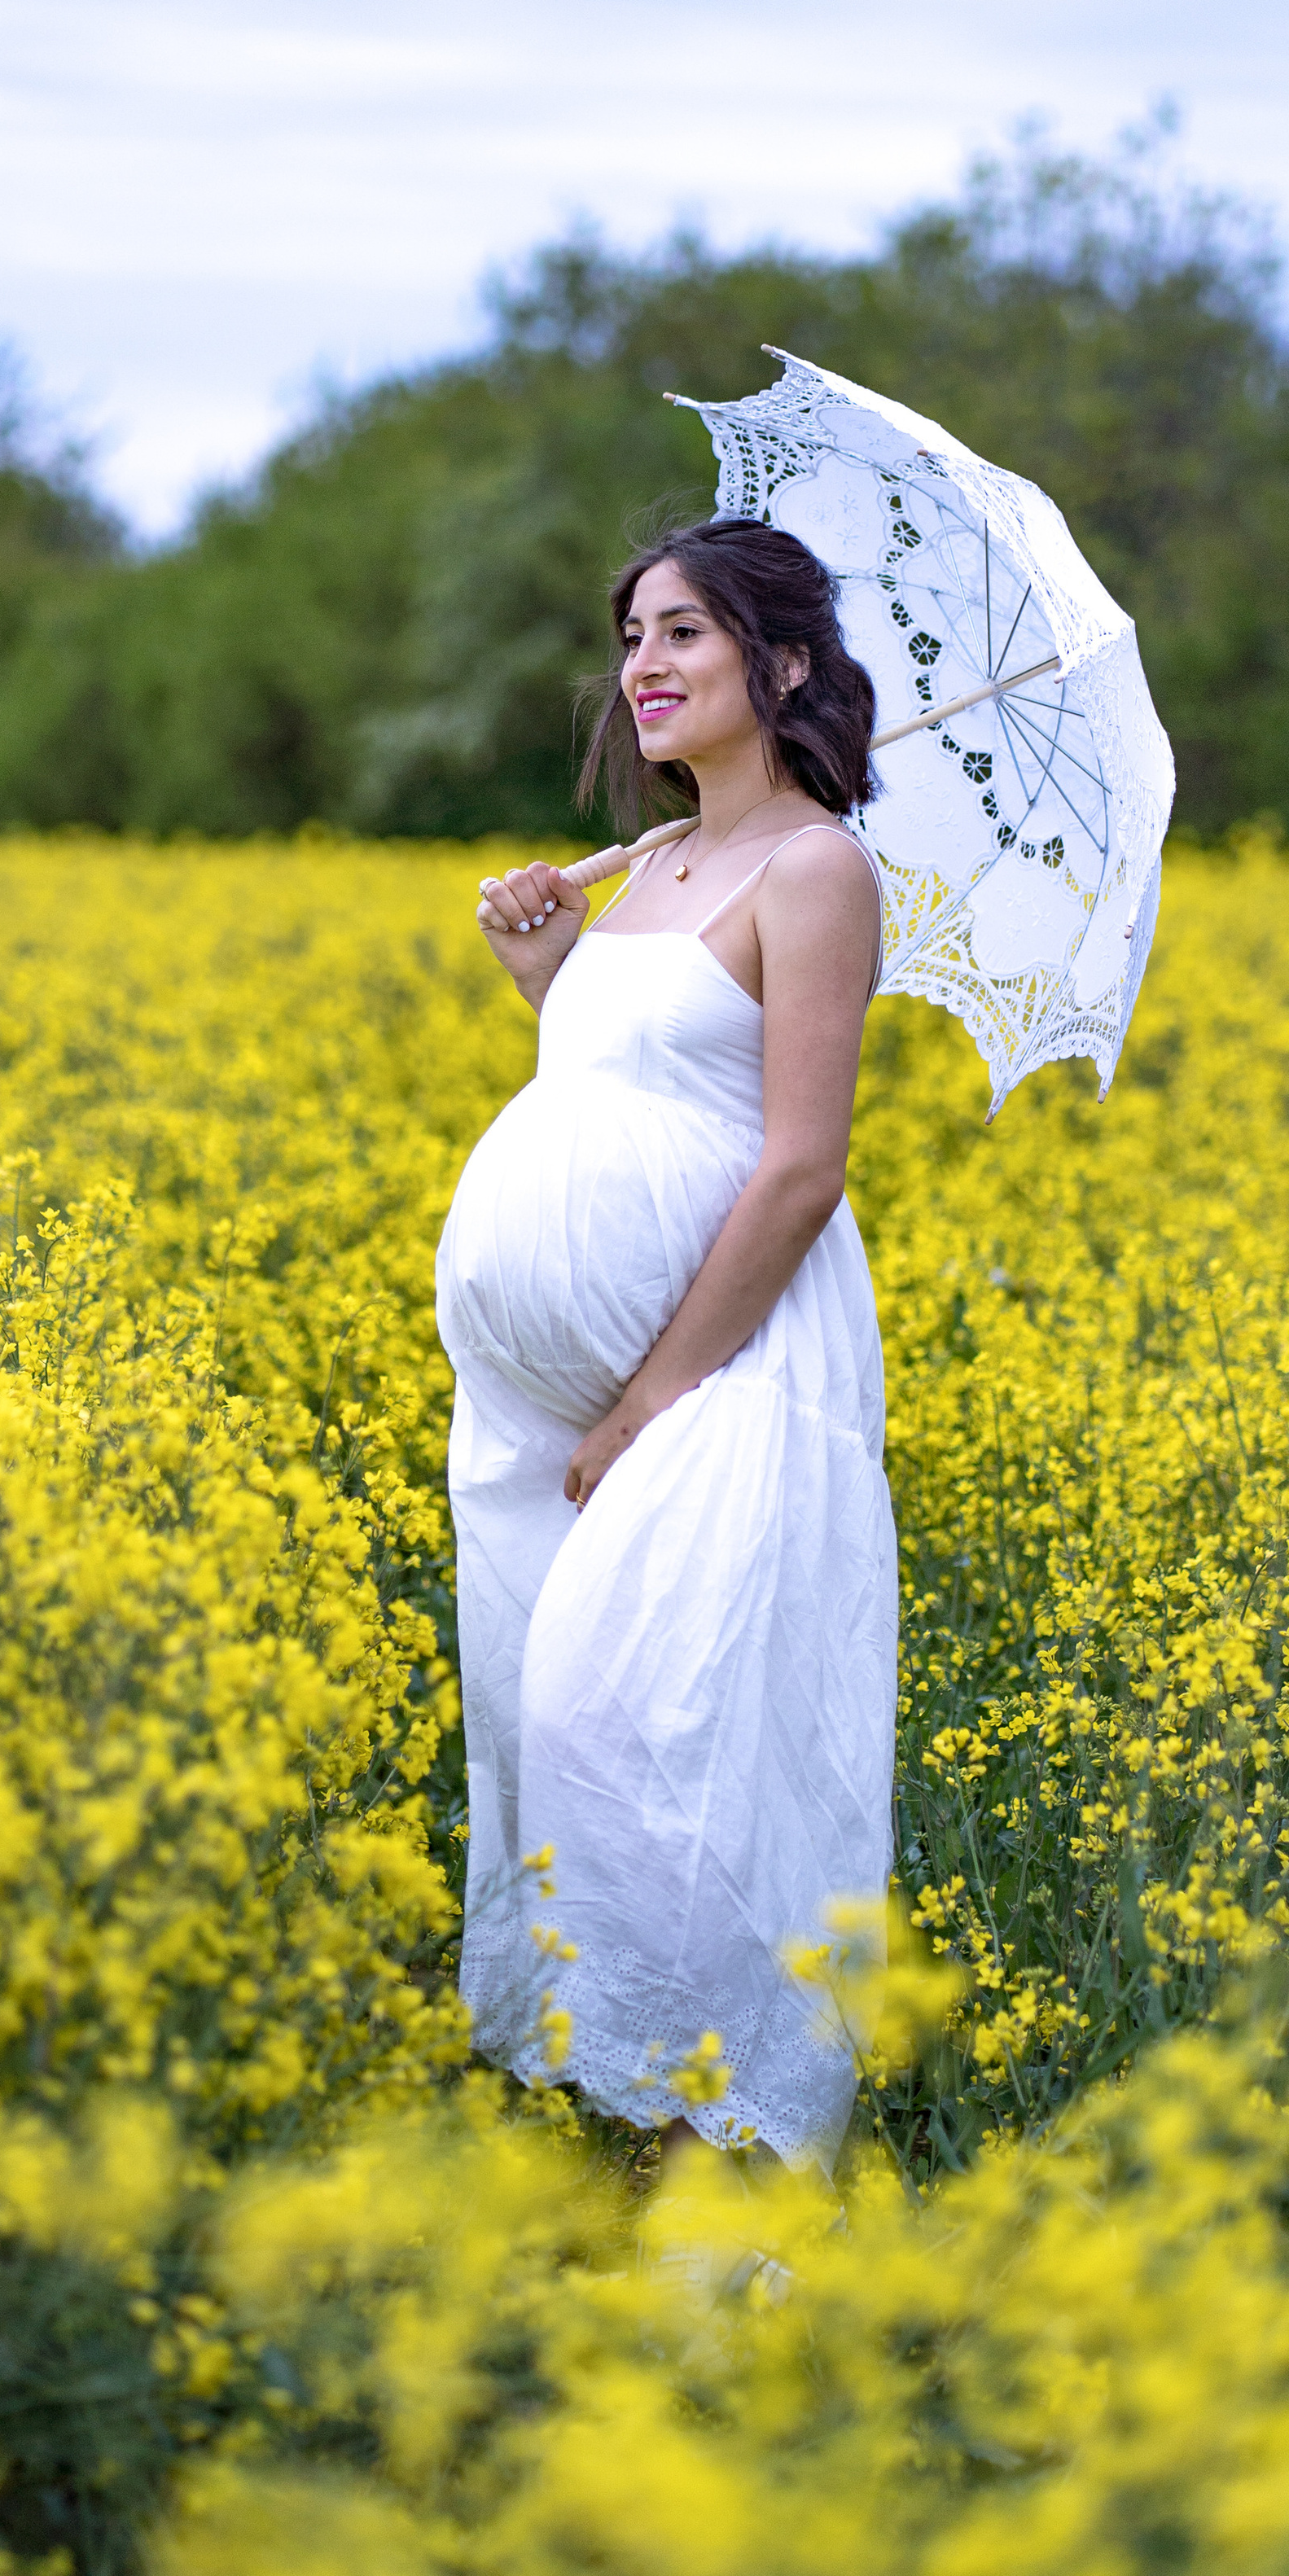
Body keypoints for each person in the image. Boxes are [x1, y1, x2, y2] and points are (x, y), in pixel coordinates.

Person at [436, 517, 900, 2175]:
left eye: (684, 634)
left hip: (720, 1374)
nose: (640, 664)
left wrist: (651, 1394)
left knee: (653, 1735)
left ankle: (738, 2141)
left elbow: (795, 1162)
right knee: (541, 1726)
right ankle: (617, 2117)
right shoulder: (645, 869)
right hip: (540, 1399)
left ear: (778, 664)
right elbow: (632, 1097)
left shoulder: (814, 870)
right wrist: (545, 976)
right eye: (631, 633)